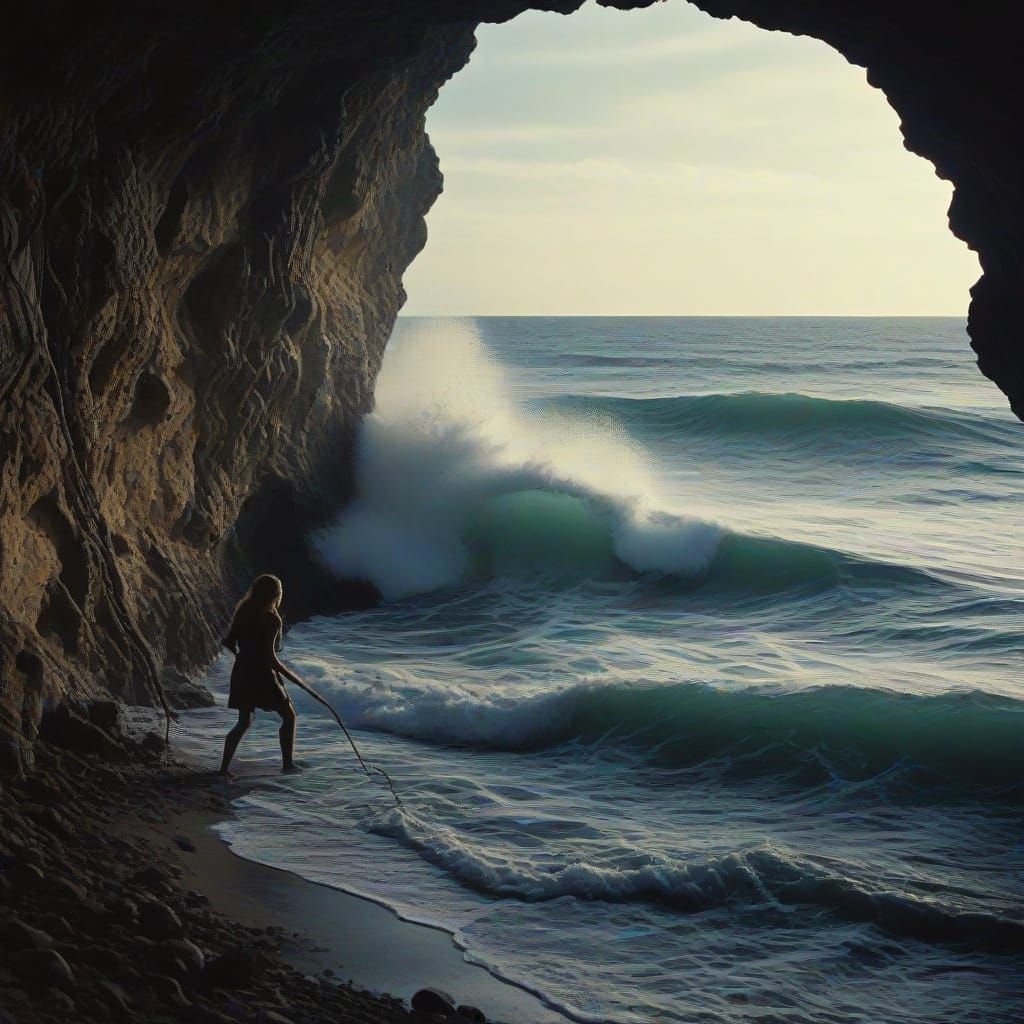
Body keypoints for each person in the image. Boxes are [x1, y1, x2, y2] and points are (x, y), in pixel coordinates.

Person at [219, 574, 301, 775]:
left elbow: (228, 642)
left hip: (242, 671)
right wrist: (292, 676)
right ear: (275, 595)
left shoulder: (244, 611)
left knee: (243, 721)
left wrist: (243, 656)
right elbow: (269, 657)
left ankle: (223, 769)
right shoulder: (272, 619)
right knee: (289, 717)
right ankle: (288, 765)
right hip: (262, 675)